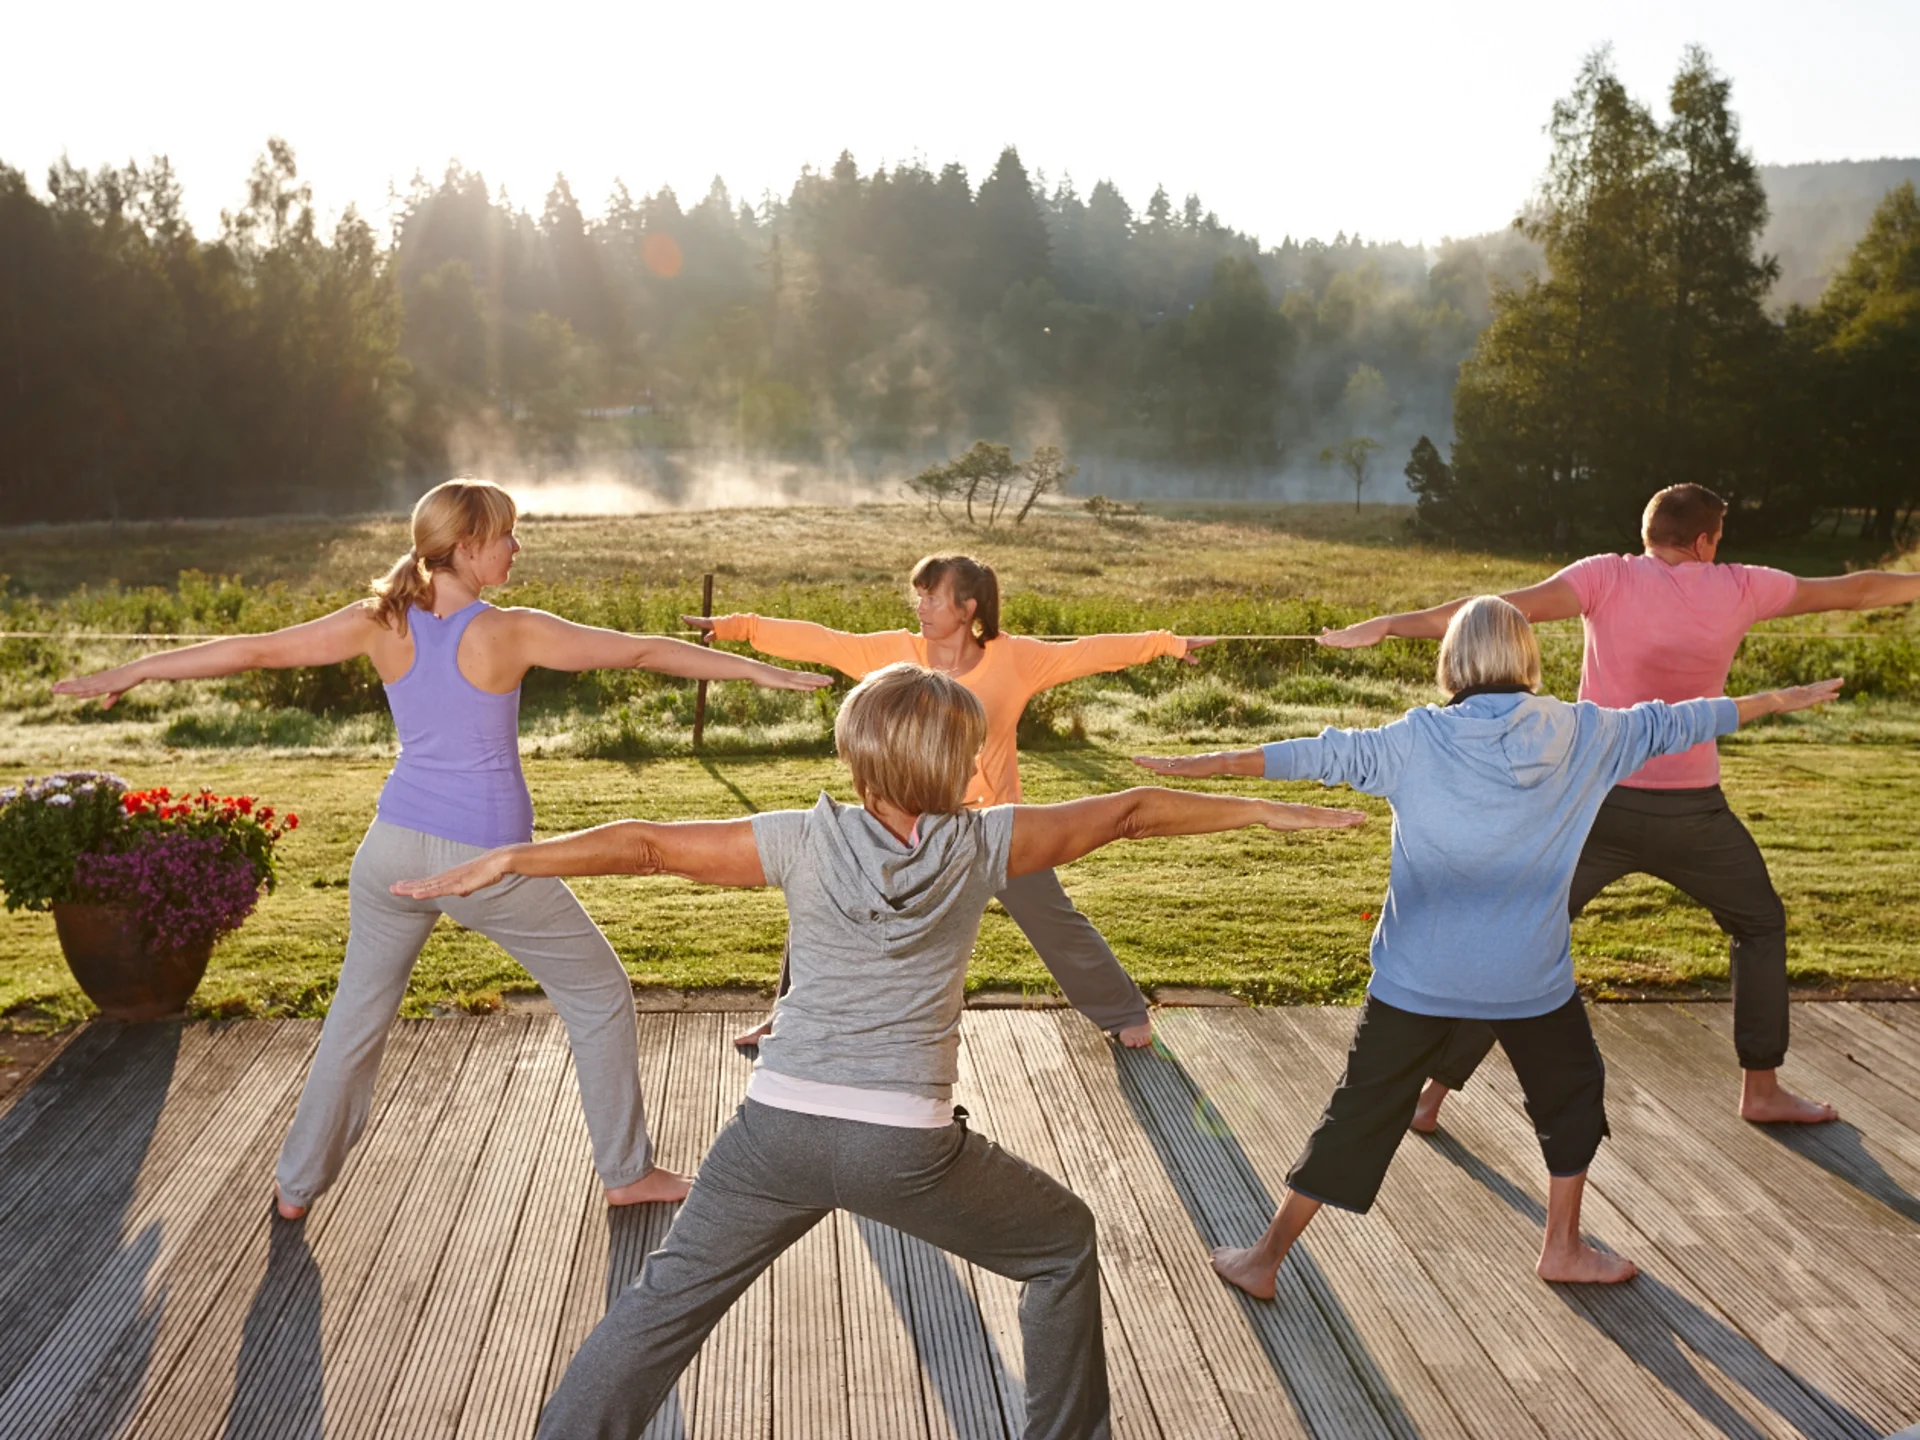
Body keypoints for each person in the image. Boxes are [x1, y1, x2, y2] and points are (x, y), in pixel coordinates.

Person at [392, 662, 1366, 1440]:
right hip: (905, 1145)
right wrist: (1264, 809)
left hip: (776, 1129)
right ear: (955, 762)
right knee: (1062, 1244)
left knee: (659, 1312)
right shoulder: (984, 845)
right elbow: (1131, 810)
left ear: (858, 754)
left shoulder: (800, 840)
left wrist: (520, 855)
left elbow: (646, 844)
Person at [53, 479, 832, 1219]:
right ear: (463, 546)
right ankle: (628, 1174)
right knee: (598, 993)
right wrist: (758, 672)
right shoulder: (506, 629)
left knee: (356, 1018)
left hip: (390, 848)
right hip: (486, 862)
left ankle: (296, 1184)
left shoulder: (379, 618)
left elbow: (255, 652)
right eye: (504, 535)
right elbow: (638, 653)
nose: (517, 547)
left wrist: (138, 671)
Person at [1137, 597, 1841, 1292]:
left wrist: (1195, 762)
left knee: (1359, 1112)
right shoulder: (1589, 733)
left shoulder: (1413, 741)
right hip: (1528, 979)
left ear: (1453, 664)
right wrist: (1783, 698)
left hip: (1418, 978)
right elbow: (1690, 718)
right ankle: (1562, 1247)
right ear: (1528, 659)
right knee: (1572, 1097)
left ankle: (1264, 1260)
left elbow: (1307, 755)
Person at [1318, 483, 1920, 1129]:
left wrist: (1386, 625)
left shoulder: (1604, 577)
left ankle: (1430, 1096)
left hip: (1587, 807)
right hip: (1690, 814)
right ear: (1705, 540)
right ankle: (1762, 1090)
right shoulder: (1744, 585)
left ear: (1648, 533)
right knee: (1759, 926)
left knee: (1517, 941)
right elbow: (1856, 588)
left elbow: (1486, 611)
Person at [685, 553, 1215, 1051]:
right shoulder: (893, 654)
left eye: (934, 598)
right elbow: (821, 640)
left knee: (1053, 919)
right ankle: (787, 1016)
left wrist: (1167, 644)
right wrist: (736, 627)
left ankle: (1123, 1013)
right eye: (919, 596)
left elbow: (1087, 652)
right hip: (902, 826)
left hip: (990, 825)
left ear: (969, 608)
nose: (921, 608)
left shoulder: (1016, 659)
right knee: (829, 900)